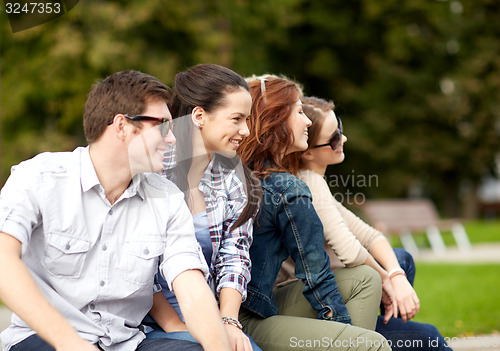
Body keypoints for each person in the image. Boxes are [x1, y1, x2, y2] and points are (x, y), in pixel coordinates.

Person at [0, 70, 232, 351]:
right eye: (162, 126)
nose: (172, 139)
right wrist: (69, 343)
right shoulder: (39, 177)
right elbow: (3, 260)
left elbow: (191, 286)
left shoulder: (167, 197)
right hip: (48, 340)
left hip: (127, 343)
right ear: (121, 125)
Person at [236, 75, 391, 351]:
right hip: (246, 316)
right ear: (276, 120)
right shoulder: (287, 188)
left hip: (259, 300)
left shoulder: (258, 175)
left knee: (367, 278)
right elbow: (316, 278)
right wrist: (348, 339)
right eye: (298, 112)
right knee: (373, 345)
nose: (307, 120)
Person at [288, 95, 452, 351]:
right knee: (430, 337)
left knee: (401, 260)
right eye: (333, 138)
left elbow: (369, 235)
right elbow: (350, 251)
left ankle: (391, 331)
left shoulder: (313, 180)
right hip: (311, 301)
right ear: (307, 152)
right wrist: (387, 279)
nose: (343, 139)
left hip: (338, 286)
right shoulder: (309, 183)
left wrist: (395, 276)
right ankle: (389, 337)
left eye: (339, 129)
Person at [141, 64, 262, 351]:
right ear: (199, 116)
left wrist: (228, 322)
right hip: (147, 321)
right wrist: (179, 328)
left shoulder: (234, 180)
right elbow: (140, 267)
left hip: (206, 313)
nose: (245, 131)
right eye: (237, 119)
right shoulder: (152, 170)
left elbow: (235, 258)